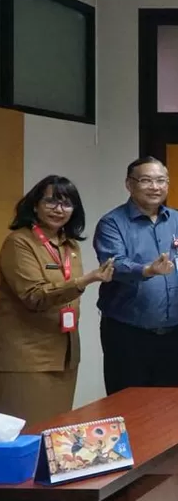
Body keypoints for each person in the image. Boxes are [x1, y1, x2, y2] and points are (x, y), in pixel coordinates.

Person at [0, 176, 113, 424]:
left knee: (56, 432)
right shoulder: (19, 242)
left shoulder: (70, 245)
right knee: (28, 433)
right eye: (51, 201)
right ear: (35, 205)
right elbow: (34, 296)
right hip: (28, 358)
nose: (59, 209)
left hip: (65, 355)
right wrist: (85, 280)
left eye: (66, 204)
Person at [94, 157, 178, 395]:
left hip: (170, 334)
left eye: (161, 181)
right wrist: (147, 270)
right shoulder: (112, 223)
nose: (155, 187)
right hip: (127, 332)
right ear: (129, 184)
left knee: (167, 403)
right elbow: (114, 265)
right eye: (146, 180)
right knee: (127, 402)